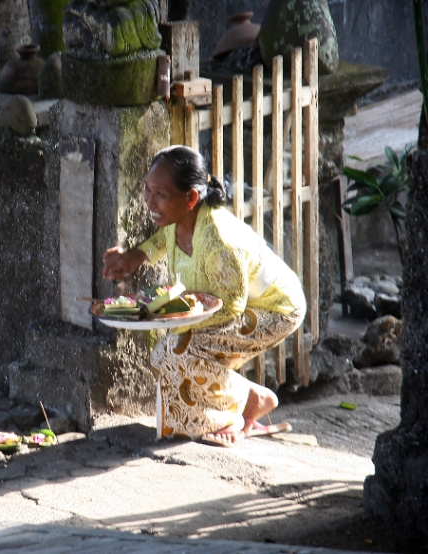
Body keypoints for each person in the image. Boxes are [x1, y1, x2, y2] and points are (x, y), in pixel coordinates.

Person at [102, 145, 306, 446]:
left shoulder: (221, 242)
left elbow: (233, 307)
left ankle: (243, 406)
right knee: (164, 355)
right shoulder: (179, 219)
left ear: (191, 198)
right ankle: (237, 405)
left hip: (277, 309)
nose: (149, 201)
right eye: (147, 190)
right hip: (232, 305)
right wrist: (136, 256)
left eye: (160, 193)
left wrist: (175, 320)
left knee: (176, 350)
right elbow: (163, 237)